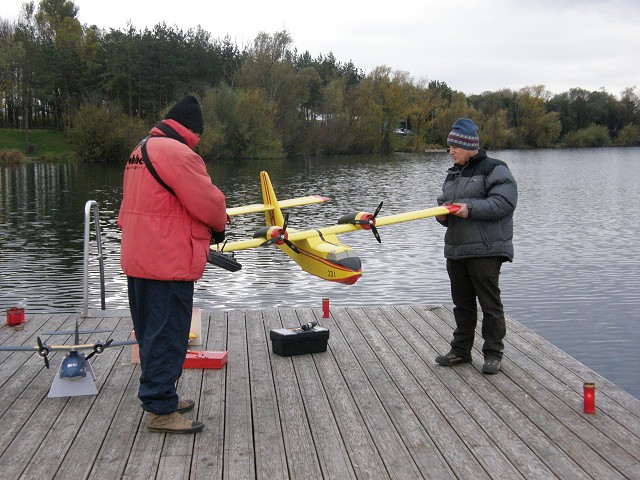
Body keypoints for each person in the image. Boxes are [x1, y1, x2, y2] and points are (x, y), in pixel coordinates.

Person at [118, 95, 227, 433]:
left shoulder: (141, 149)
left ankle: (160, 394)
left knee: (151, 333)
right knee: (168, 335)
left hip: (140, 257)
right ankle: (161, 411)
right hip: (166, 260)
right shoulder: (179, 154)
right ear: (193, 131)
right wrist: (220, 225)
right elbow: (208, 203)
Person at [434, 118, 517, 374]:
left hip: (486, 250)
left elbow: (504, 203)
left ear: (469, 146)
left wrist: (468, 209)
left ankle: (493, 353)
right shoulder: (453, 173)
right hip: (457, 250)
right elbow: (444, 201)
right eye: (449, 147)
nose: (451, 152)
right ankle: (461, 351)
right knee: (462, 304)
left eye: (454, 147)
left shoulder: (495, 168)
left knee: (490, 305)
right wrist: (441, 214)